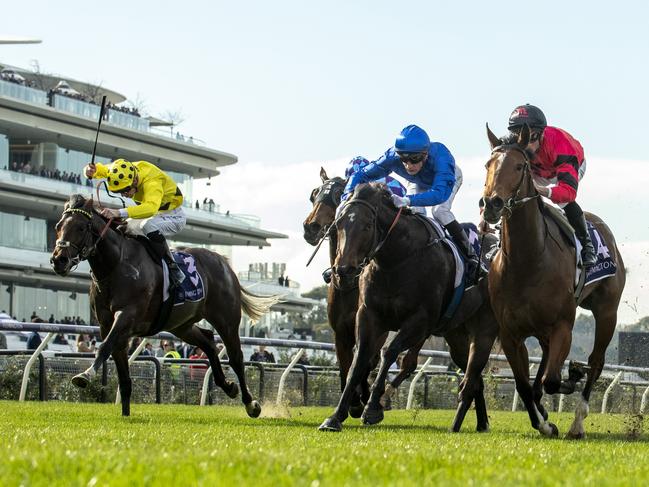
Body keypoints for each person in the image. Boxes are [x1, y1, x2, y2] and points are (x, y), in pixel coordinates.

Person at [343, 124, 482, 280]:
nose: (409, 165)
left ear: (426, 154)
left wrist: (408, 199)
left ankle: (471, 257)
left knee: (439, 212)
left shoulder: (442, 157)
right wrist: (346, 197)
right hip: (418, 181)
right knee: (416, 214)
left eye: (415, 159)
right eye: (403, 158)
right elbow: (360, 175)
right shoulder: (391, 156)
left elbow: (440, 194)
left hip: (446, 180)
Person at [503, 104, 596, 266]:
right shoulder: (517, 148)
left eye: (530, 138)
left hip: (568, 166)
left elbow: (568, 192)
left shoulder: (561, 144)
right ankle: (501, 241)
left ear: (541, 134)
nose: (524, 144)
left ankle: (587, 245)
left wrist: (543, 190)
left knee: (562, 200)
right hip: (538, 171)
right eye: (519, 137)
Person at [84, 158, 187, 285]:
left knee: (148, 226)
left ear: (134, 180)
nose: (123, 195)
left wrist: (118, 212)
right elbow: (101, 170)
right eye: (119, 191)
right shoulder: (123, 169)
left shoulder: (152, 181)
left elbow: (150, 208)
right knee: (122, 228)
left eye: (125, 190)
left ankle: (172, 266)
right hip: (152, 214)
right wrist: (89, 171)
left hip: (173, 216)